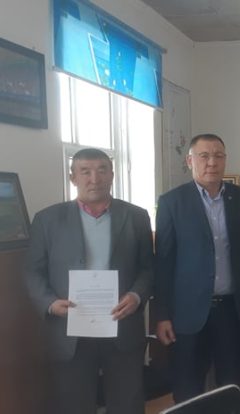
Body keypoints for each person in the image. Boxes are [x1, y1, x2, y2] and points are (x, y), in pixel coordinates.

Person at [26, 148, 153, 414]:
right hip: (71, 331)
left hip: (121, 326)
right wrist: (50, 303)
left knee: (127, 403)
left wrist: (136, 296)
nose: (94, 178)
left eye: (102, 170)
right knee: (74, 404)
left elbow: (148, 268)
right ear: (73, 177)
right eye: (85, 171)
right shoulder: (47, 219)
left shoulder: (136, 216)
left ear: (112, 175)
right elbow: (33, 272)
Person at [154, 133, 240, 403]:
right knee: (187, 389)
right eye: (204, 156)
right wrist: (162, 315)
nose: (212, 162)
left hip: (233, 310)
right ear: (189, 160)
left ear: (225, 160)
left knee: (233, 385)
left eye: (218, 156)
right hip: (187, 314)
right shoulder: (172, 202)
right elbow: (164, 263)